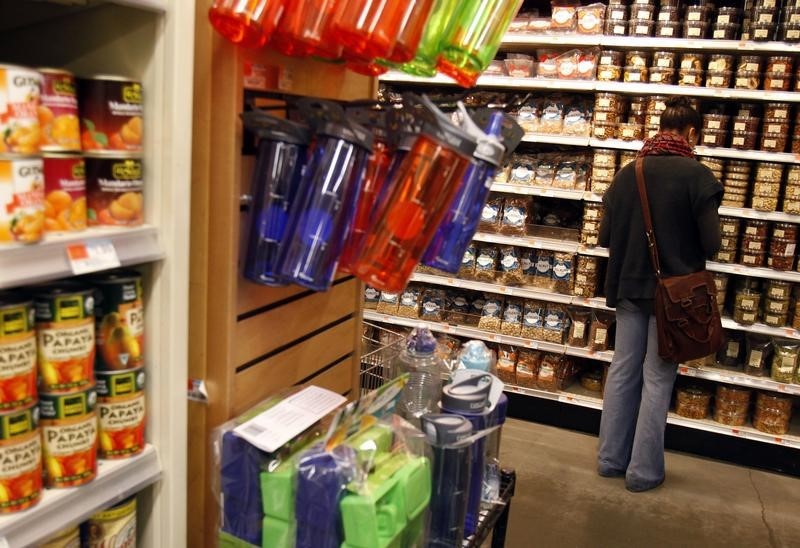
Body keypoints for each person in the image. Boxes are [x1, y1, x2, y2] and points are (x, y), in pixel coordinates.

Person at [596, 97, 723, 492]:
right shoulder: (698, 177)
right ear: (691, 133)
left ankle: (610, 460)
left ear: (658, 128)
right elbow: (713, 243)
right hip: (675, 299)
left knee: (622, 370)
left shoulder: (626, 174)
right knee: (657, 376)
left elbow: (605, 237)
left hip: (629, 289)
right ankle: (643, 472)